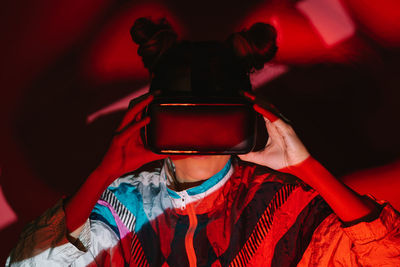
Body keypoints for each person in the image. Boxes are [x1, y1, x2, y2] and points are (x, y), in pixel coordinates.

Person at [6, 17, 400, 267]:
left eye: (213, 112)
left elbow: (386, 257)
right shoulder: (119, 206)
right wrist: (105, 172)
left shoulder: (287, 204)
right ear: (152, 115)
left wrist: (305, 167)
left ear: (246, 114)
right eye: (185, 111)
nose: (199, 129)